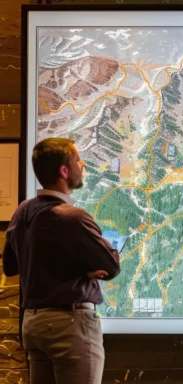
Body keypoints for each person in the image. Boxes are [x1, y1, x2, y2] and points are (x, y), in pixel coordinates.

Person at [4, 138, 120, 384]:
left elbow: (11, 267)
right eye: (78, 161)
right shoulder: (73, 218)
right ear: (64, 171)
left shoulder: (22, 211)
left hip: (33, 325)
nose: (83, 164)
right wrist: (87, 270)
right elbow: (111, 266)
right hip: (69, 326)